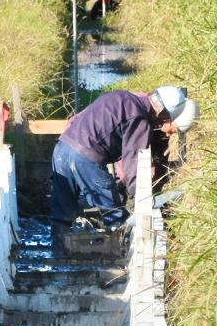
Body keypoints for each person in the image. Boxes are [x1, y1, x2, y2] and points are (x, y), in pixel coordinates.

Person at [51, 84, 198, 227]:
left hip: (62, 147)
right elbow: (134, 163)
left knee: (62, 213)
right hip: (85, 157)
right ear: (163, 113)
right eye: (166, 120)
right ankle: (115, 240)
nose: (163, 125)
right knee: (113, 214)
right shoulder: (139, 120)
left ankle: (60, 241)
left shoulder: (121, 96)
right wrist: (139, 196)